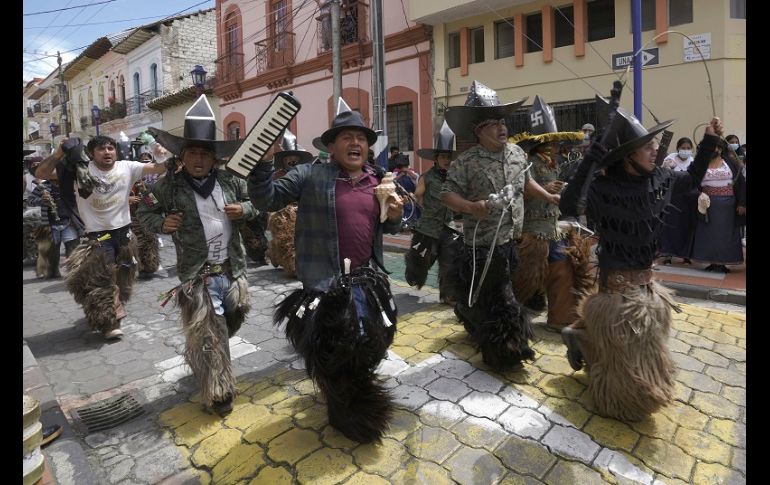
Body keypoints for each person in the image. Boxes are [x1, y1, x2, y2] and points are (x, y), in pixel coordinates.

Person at [247, 98, 404, 443]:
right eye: (346, 137)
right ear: (331, 146)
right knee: (334, 355)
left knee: (370, 346)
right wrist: (259, 165)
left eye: (361, 138)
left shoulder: (378, 179)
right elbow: (266, 199)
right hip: (326, 286)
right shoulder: (309, 175)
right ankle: (347, 414)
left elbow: (390, 226)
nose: (355, 143)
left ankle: (356, 398)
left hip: (368, 283)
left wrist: (395, 215)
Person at [559, 111, 723, 421]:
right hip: (615, 292)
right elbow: (568, 204)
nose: (654, 151)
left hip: (648, 287)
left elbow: (691, 178)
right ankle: (588, 346)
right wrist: (589, 162)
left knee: (645, 357)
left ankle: (580, 336)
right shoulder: (602, 189)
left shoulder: (661, 179)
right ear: (626, 157)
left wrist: (710, 140)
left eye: (652, 145)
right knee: (624, 381)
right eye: (646, 147)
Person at [138, 95, 255, 415]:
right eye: (193, 152)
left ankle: (201, 354)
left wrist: (242, 209)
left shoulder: (231, 180)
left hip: (233, 270)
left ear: (214, 157)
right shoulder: (169, 187)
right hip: (196, 275)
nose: (199, 159)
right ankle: (220, 392)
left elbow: (255, 204)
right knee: (211, 333)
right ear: (183, 156)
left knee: (233, 317)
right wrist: (162, 222)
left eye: (205, 153)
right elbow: (143, 213)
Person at [441, 81, 560, 370]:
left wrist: (547, 195)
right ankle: (503, 352)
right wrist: (471, 207)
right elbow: (447, 195)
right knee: (501, 298)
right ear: (478, 130)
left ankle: (484, 328)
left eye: (502, 121)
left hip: (511, 242)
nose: (501, 128)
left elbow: (525, 182)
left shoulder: (517, 154)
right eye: (492, 123)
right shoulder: (466, 161)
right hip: (481, 247)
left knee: (501, 295)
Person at [35, 135, 167, 340]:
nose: (107, 152)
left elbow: (160, 169)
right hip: (97, 237)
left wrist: (159, 156)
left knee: (123, 281)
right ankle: (108, 323)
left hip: (124, 235)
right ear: (91, 153)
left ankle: (114, 308)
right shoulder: (80, 171)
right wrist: (60, 151)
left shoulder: (127, 167)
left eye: (110, 148)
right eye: (101, 149)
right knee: (102, 281)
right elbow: (41, 173)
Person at [508, 96, 592, 330]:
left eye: (556, 144)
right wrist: (543, 190)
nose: (555, 148)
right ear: (540, 145)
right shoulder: (525, 165)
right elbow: (515, 194)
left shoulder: (554, 165)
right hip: (531, 232)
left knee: (562, 271)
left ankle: (560, 317)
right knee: (525, 278)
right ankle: (509, 316)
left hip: (553, 229)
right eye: (550, 144)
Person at [405, 121, 464, 305]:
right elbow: (418, 195)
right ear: (436, 158)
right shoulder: (427, 176)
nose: (447, 160)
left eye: (449, 156)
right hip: (428, 228)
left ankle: (448, 295)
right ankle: (411, 272)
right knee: (421, 262)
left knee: (450, 263)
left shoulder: (456, 177)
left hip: (449, 228)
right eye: (443, 156)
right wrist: (412, 198)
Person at [689, 137, 745, 273]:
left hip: (728, 206)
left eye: (716, 147)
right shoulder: (701, 164)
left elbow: (741, 183)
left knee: (726, 235)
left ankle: (724, 262)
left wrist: (742, 203)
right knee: (708, 234)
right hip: (706, 205)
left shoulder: (731, 162)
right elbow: (691, 180)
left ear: (720, 149)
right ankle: (712, 262)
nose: (713, 150)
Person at [266, 129, 314, 277]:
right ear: (284, 160)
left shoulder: (306, 175)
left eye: (295, 159)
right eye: (289, 159)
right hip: (282, 213)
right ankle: (278, 254)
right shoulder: (276, 176)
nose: (292, 162)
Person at [27, 165, 82, 278]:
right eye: (52, 180)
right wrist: (41, 200)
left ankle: (75, 272)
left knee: (73, 249)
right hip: (49, 224)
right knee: (51, 251)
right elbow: (30, 201)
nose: (55, 183)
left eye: (57, 180)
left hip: (69, 222)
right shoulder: (42, 187)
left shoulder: (70, 185)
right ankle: (52, 272)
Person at [658, 137, 696, 265]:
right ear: (678, 148)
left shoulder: (693, 162)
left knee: (687, 227)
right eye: (683, 148)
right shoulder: (669, 160)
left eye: (688, 148)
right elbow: (661, 176)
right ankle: (668, 254)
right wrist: (667, 168)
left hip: (688, 200)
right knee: (670, 226)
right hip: (672, 198)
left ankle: (686, 255)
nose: (685, 150)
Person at [129, 141, 162, 277]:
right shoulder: (128, 182)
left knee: (150, 241)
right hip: (132, 218)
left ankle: (150, 265)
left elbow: (153, 202)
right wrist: (128, 200)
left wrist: (143, 190)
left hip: (148, 217)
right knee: (137, 243)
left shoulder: (146, 185)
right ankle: (139, 266)